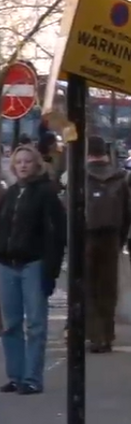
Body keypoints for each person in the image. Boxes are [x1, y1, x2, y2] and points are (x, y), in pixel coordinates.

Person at [0, 144, 66, 395]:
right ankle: (16, 375)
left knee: (35, 325)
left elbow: (56, 236)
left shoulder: (46, 194)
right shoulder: (8, 195)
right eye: (18, 161)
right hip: (6, 266)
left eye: (27, 161)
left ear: (36, 165)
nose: (22, 165)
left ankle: (32, 378)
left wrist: (50, 272)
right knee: (10, 325)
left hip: (33, 265)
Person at [85, 136, 131, 353]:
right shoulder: (120, 177)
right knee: (108, 287)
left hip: (86, 236)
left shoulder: (79, 175)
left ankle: (95, 335)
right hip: (112, 237)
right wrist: (121, 238)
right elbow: (127, 212)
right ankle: (107, 334)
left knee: (89, 286)